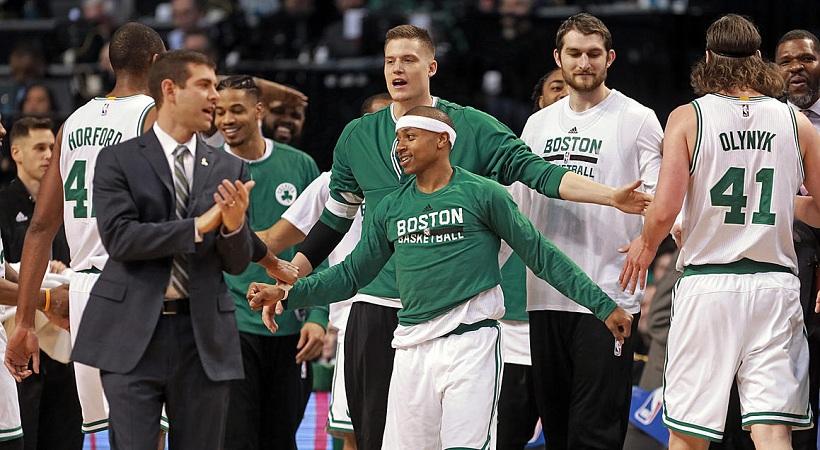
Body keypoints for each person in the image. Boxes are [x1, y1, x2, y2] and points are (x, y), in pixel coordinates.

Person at [285, 24, 651, 450]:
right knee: (373, 438)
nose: (397, 69)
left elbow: (540, 180)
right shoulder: (359, 139)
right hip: (381, 310)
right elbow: (338, 227)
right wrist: (293, 277)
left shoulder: (475, 138)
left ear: (432, 67)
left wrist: (609, 197)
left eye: (408, 60)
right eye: (390, 61)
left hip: (463, 320)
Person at [620, 14, 819, 450]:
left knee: (688, 435)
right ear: (759, 58)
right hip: (775, 287)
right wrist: (784, 201)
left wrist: (645, 245)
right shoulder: (797, 123)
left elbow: (665, 208)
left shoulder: (688, 117)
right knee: (773, 431)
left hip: (708, 285)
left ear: (709, 58)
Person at [73, 49, 254, 449]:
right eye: (204, 85)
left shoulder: (230, 168)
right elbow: (121, 239)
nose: (215, 96)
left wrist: (234, 226)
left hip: (204, 336)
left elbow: (238, 263)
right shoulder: (117, 159)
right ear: (170, 89)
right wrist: (198, 226)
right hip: (131, 331)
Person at [4, 22, 169, 436]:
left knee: (116, 432)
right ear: (156, 61)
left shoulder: (72, 123)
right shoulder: (153, 116)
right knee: (150, 432)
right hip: (134, 284)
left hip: (84, 293)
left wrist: (24, 323)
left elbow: (40, 228)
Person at [511, 13, 663, 449]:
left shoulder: (637, 118)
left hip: (608, 291)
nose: (584, 63)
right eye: (574, 53)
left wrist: (647, 241)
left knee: (595, 432)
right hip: (545, 295)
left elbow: (659, 197)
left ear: (609, 58)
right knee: (557, 431)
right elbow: (519, 205)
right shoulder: (537, 125)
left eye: (594, 54)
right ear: (557, 57)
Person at [214, 75, 326, 450]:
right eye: (219, 112)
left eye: (236, 110)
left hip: (290, 324)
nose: (227, 119)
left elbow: (321, 244)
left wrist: (318, 315)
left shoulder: (300, 165)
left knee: (281, 439)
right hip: (230, 325)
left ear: (259, 110)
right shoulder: (206, 168)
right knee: (236, 439)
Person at [496, 63, 570, 450]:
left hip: (575, 317)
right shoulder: (512, 161)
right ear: (539, 102)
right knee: (505, 434)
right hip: (514, 326)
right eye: (556, 87)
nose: (565, 93)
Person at [0, 117, 82, 450]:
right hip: (20, 332)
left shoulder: (68, 200)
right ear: (17, 153)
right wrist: (47, 298)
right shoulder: (5, 202)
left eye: (52, 147)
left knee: (63, 435)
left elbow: (3, 268)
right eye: (40, 148)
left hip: (51, 335)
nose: (49, 155)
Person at [775, 29, 820, 450]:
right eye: (786, 62)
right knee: (793, 400)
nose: (796, 68)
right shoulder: (769, 124)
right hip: (789, 270)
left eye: (805, 59)